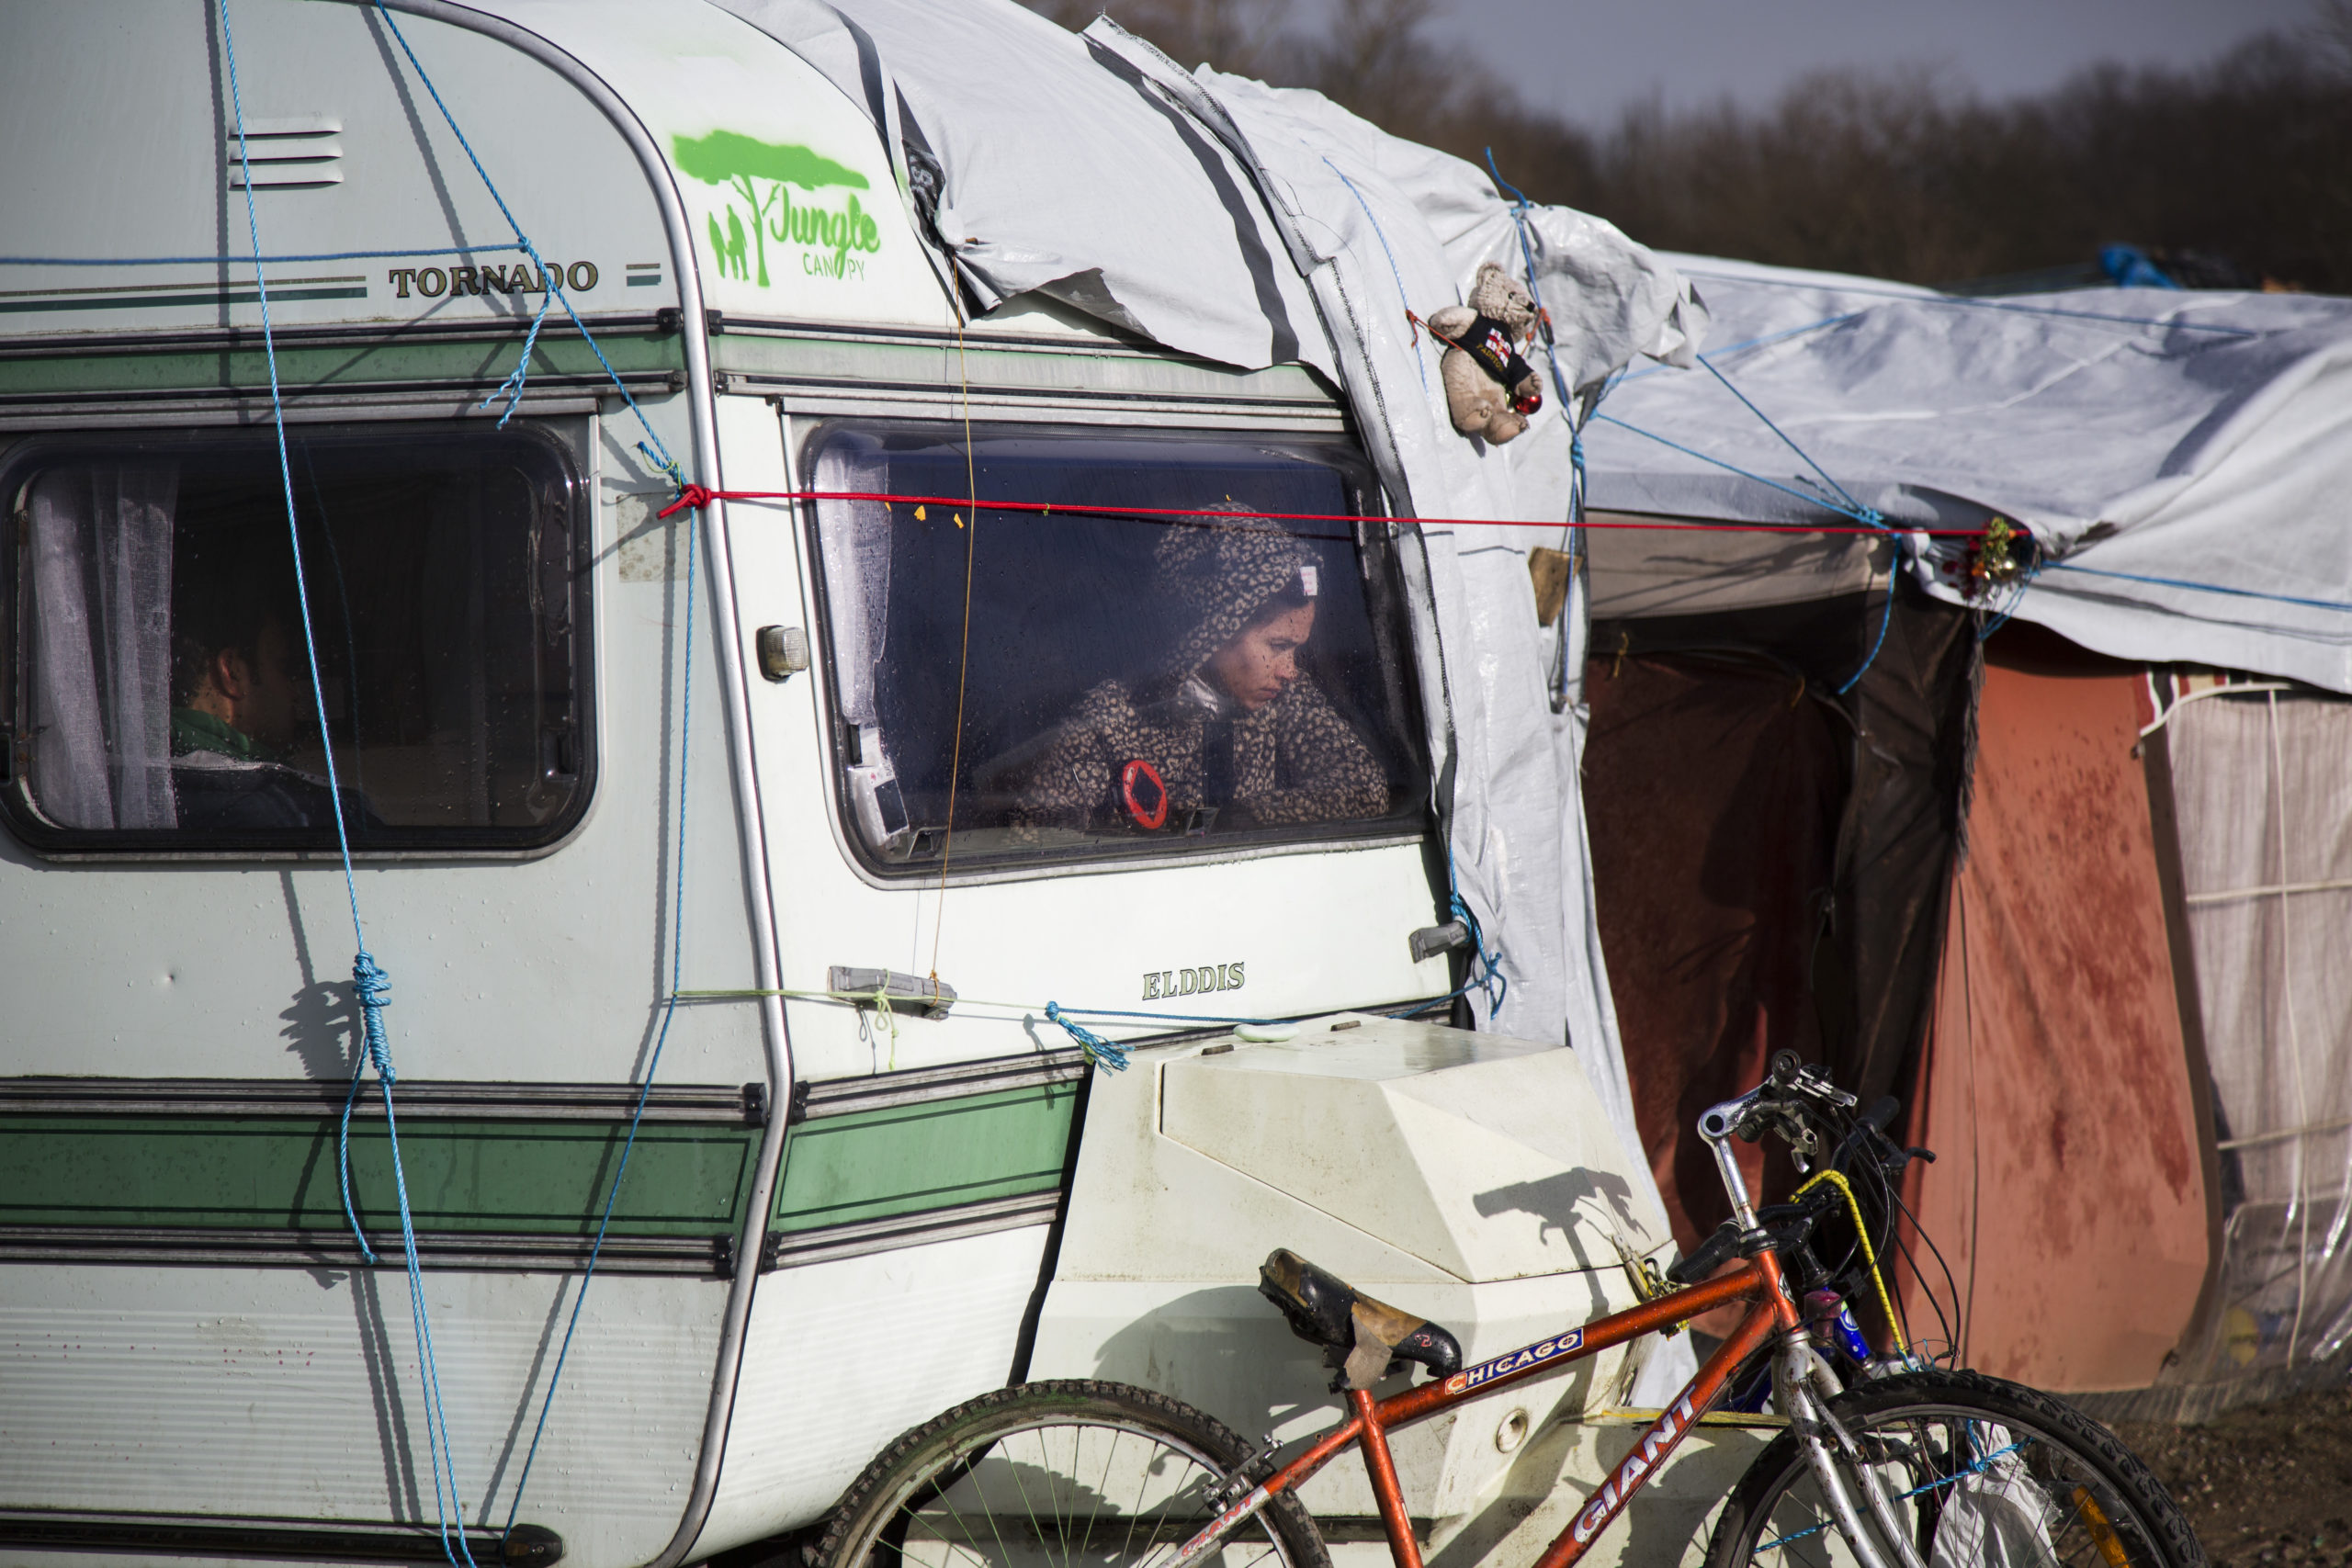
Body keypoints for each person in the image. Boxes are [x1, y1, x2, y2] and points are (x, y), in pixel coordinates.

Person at [1011, 514, 1388, 834]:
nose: (1291, 671)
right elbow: (1035, 838)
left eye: (1297, 649)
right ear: (1211, 634)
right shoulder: (1111, 718)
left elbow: (1364, 789)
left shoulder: (1284, 699)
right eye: (1276, 646)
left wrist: (1238, 819)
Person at [168, 541, 379, 832]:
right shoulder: (295, 814)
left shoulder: (126, 783)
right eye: (284, 668)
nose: (295, 692)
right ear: (233, 671)